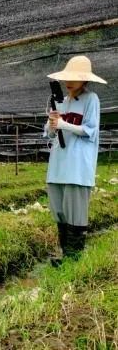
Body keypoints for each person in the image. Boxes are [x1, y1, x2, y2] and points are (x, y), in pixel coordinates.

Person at [44, 55, 107, 265]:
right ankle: (65, 256)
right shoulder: (61, 102)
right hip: (58, 165)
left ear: (85, 80)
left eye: (75, 78)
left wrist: (64, 124)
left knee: (75, 214)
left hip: (78, 167)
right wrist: (52, 123)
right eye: (67, 77)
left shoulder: (91, 100)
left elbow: (90, 131)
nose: (69, 82)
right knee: (59, 211)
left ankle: (74, 260)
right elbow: (51, 135)